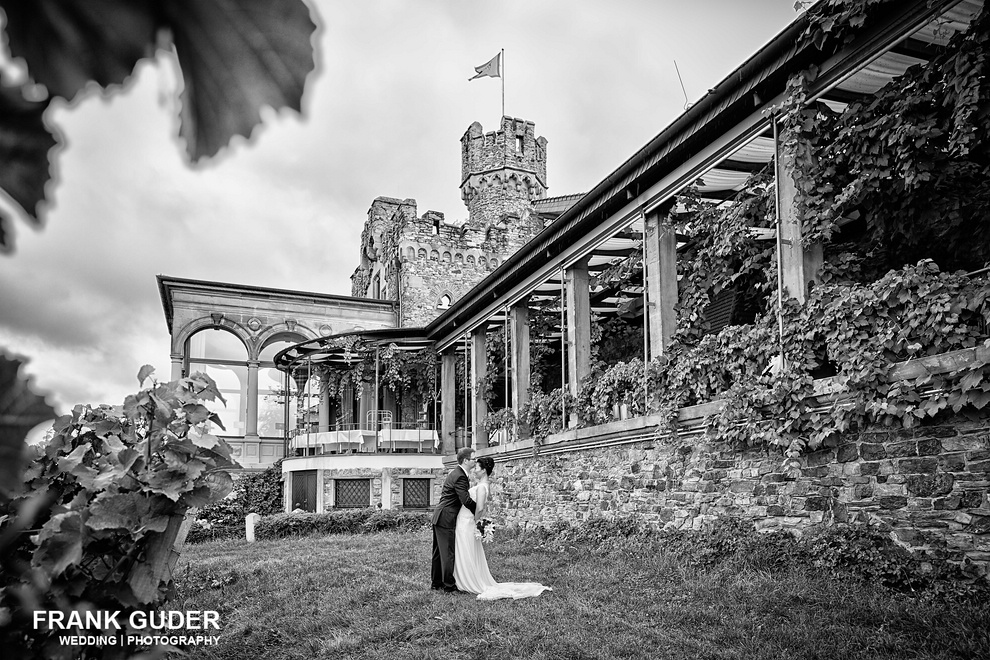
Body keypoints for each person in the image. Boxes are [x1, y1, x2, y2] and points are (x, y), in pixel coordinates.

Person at [453, 456, 552, 600]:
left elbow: (480, 508)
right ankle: (464, 577)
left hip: (467, 522)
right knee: (466, 550)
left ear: (484, 470)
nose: (474, 470)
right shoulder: (485, 484)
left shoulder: (481, 486)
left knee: (465, 549)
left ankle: (468, 581)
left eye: (477, 468)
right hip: (466, 521)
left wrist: (474, 523)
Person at [431, 447, 477, 592]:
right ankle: (449, 586)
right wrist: (479, 513)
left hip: (440, 515)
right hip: (446, 518)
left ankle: (436, 583)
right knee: (447, 552)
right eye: (473, 458)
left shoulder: (456, 473)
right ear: (465, 460)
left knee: (439, 552)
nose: (475, 461)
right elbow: (466, 500)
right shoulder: (460, 476)